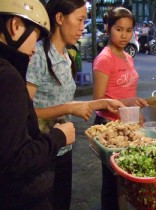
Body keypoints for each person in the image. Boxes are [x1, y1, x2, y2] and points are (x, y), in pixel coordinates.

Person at [26, 0, 125, 209]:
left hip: (64, 147)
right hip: (42, 150)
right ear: (60, 18)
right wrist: (69, 109)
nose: (83, 27)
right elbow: (26, 113)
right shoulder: (38, 55)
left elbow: (63, 101)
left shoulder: (66, 56)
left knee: (63, 202)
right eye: (79, 20)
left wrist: (102, 102)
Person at [0, 0, 76, 209]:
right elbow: (14, 161)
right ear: (15, 26)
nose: (34, 48)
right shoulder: (8, 77)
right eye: (36, 36)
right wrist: (58, 137)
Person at [93, 6, 148, 210]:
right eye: (119, 29)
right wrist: (130, 102)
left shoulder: (128, 57)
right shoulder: (104, 59)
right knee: (112, 181)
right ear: (108, 29)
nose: (124, 35)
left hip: (127, 123)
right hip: (108, 125)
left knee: (126, 178)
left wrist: (137, 113)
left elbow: (128, 92)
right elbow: (97, 100)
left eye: (128, 30)